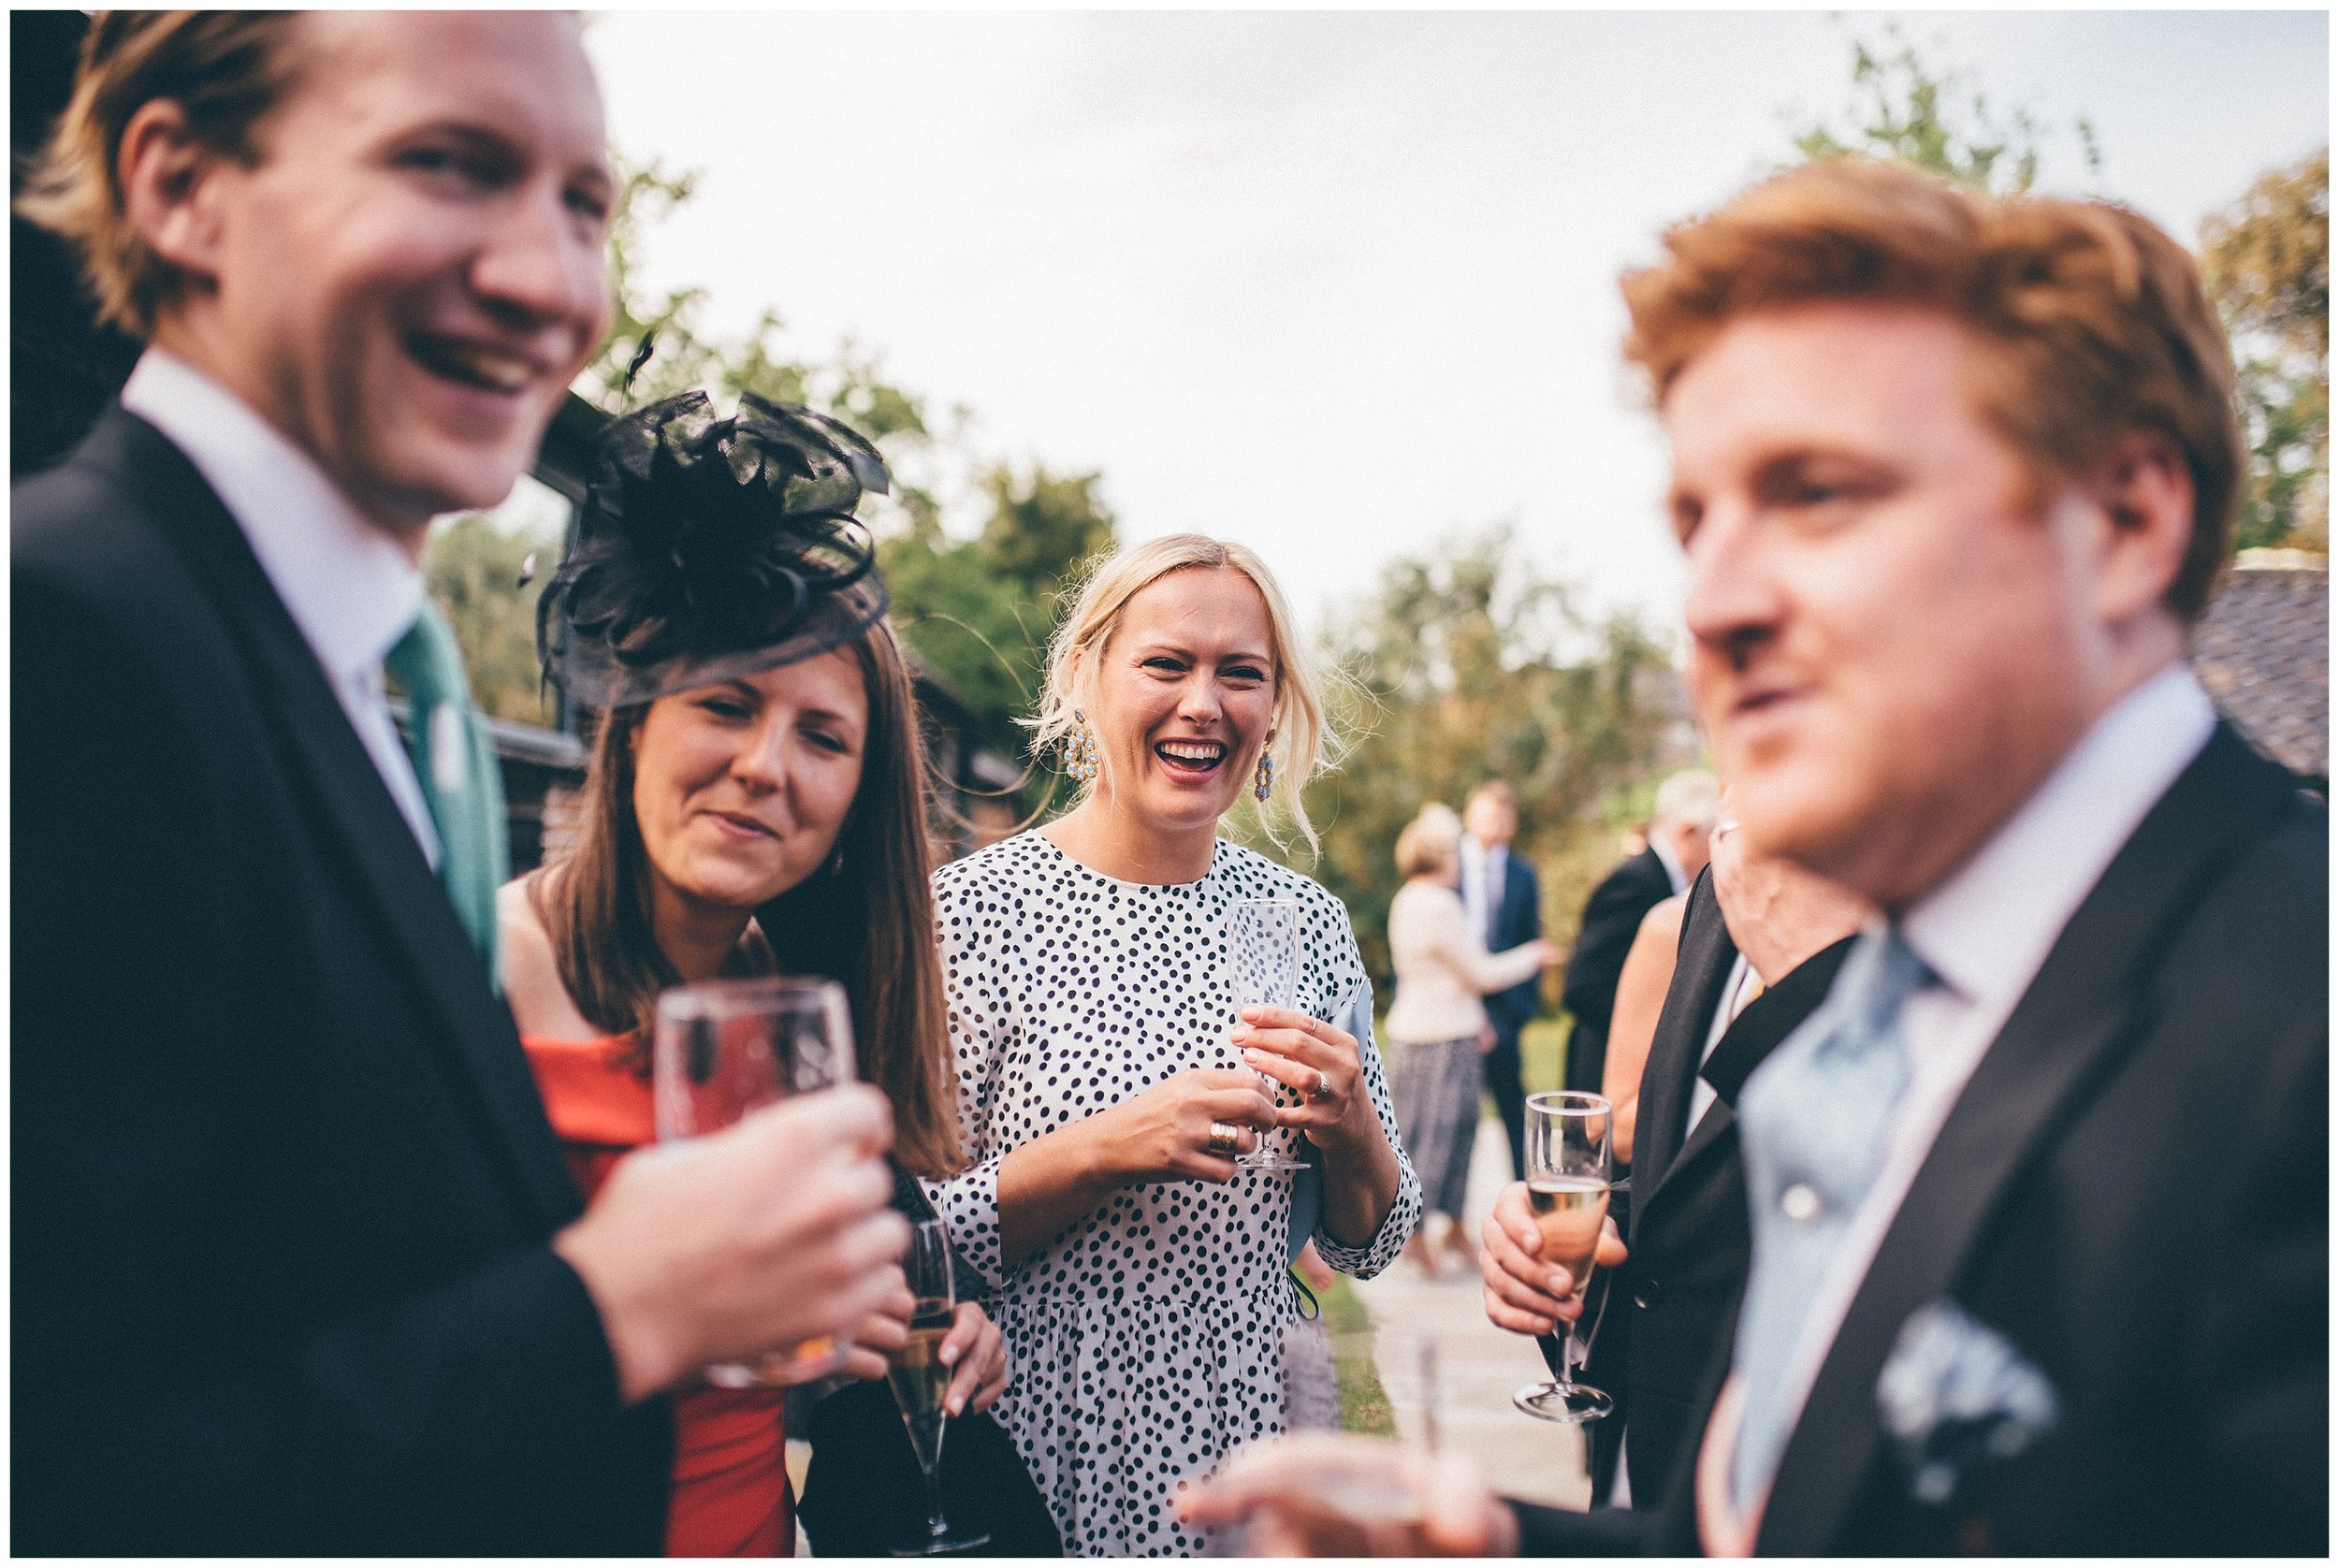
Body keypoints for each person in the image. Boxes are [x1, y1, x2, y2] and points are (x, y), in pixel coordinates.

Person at [1189, 155, 2326, 1557]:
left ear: (2124, 522)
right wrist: (1496, 1545)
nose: (1713, 603)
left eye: (1819, 494)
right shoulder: (1906, 999)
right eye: (1695, 524)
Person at [13, 15, 906, 1553]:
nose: (554, 283)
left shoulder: (374, 687)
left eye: (582, 204)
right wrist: (620, 1305)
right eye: (447, 163)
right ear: (179, 185)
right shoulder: (62, 640)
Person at [501, 391, 1033, 1555]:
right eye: (727, 704)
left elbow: (778, 1342)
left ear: (856, 804)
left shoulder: (798, 1003)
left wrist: (906, 1325)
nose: (763, 766)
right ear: (633, 720)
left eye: (822, 736)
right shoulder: (473, 976)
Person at [925, 533, 1422, 1554]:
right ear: (1086, 673)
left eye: (1242, 672)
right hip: (1039, 1428)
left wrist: (1353, 1121)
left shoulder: (1305, 921)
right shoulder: (969, 913)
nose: (1206, 702)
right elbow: (908, 1240)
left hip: (1251, 1429)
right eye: (1166, 663)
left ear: (1273, 708)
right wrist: (1108, 1145)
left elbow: (1368, 1237)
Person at [1385, 802, 1557, 1277]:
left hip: (1417, 1032)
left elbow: (1446, 976)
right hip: (1443, 1039)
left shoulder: (1407, 898)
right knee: (1443, 1137)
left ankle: (1454, 1228)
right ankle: (1415, 1234)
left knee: (1433, 1133)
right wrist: (1533, 956)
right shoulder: (1440, 904)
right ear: (1442, 858)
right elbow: (1480, 972)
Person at [1560, 769, 1718, 1095]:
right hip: (1603, 1070)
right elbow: (1582, 987)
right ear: (1689, 831)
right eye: (1715, 837)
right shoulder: (1633, 883)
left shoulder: (1663, 880)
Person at [1460, 780, 1546, 1177]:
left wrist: (1520, 1010)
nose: (1495, 823)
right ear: (1469, 817)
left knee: (1514, 1106)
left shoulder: (1523, 873)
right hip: (1455, 1007)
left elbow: (1531, 938)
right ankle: (1445, 1213)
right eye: (1486, 814)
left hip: (1506, 1011)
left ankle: (1525, 1185)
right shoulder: (1449, 865)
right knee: (1455, 1118)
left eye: (1502, 816)